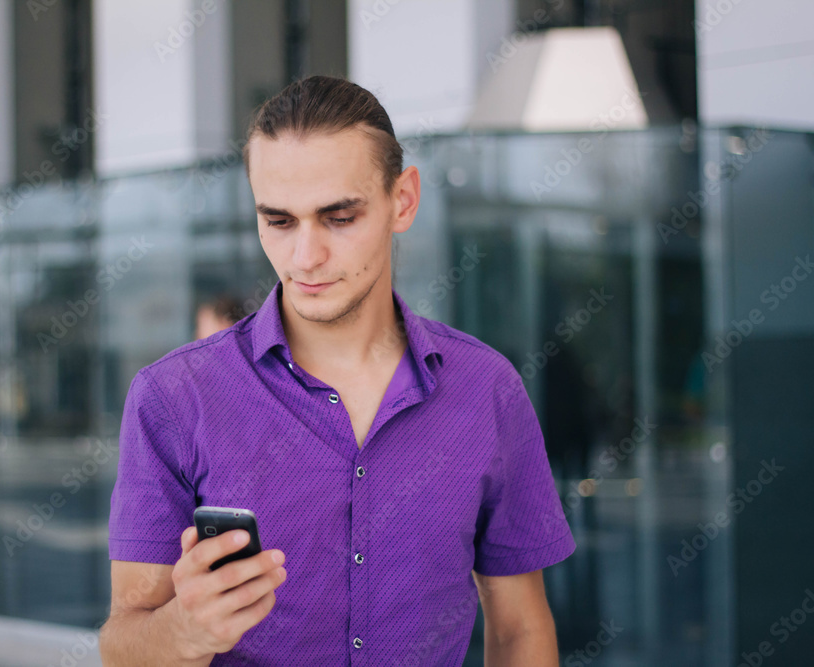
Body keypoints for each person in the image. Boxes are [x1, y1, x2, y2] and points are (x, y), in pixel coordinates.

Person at [100, 74, 576, 666]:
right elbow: (123, 644)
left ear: (402, 200)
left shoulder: (487, 389)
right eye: (279, 221)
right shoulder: (173, 399)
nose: (305, 257)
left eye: (339, 217)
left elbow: (520, 628)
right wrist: (182, 632)